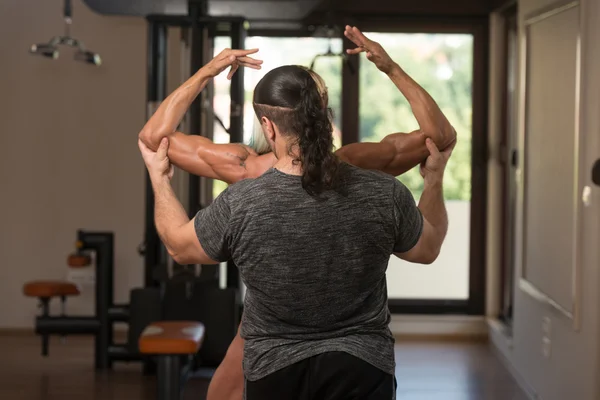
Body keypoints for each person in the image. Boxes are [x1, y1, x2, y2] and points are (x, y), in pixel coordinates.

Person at [138, 26, 455, 400]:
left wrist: (209, 71)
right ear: (323, 115)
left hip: (275, 346)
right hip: (358, 359)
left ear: (267, 126)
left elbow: (153, 138)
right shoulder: (366, 173)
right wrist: (390, 67)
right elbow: (441, 137)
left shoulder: (241, 172)